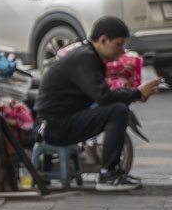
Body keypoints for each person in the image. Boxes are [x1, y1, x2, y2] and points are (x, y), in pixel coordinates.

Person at [35, 16, 162, 191]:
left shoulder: (89, 56)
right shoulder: (85, 58)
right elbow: (104, 97)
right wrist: (137, 93)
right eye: (118, 45)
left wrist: (132, 93)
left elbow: (100, 94)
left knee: (117, 108)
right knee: (118, 111)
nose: (121, 51)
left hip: (62, 120)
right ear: (103, 40)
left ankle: (113, 171)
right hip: (55, 126)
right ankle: (108, 174)